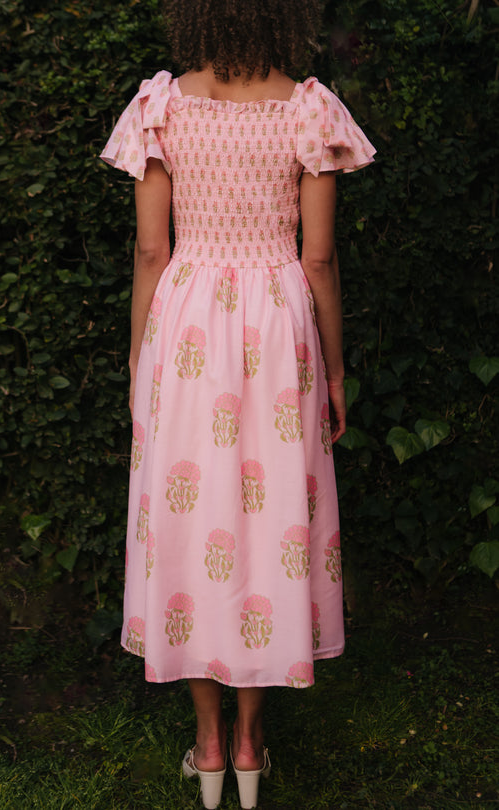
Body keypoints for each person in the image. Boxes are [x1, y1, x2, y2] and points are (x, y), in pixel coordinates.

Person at [101, 1, 375, 807]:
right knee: (268, 518)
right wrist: (333, 372)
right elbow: (317, 258)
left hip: (187, 323)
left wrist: (138, 355)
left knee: (190, 517)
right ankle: (251, 742)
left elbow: (151, 248)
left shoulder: (160, 106)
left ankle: (210, 741)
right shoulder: (309, 109)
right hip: (275, 325)